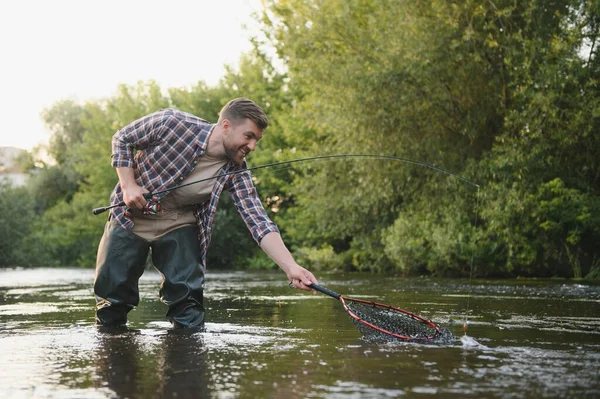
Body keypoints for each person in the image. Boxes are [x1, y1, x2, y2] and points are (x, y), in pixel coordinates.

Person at [94, 98, 318, 328]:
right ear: (226, 126)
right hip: (129, 218)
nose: (252, 147)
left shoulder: (236, 170)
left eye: (256, 140)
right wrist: (128, 185)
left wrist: (291, 267)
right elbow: (122, 138)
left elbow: (258, 220)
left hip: (179, 224)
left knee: (188, 311)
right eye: (248, 136)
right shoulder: (171, 123)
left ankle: (186, 361)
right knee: (112, 305)